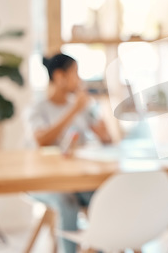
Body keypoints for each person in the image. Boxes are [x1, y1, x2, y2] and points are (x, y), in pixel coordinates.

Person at [27, 53, 112, 253]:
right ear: (59, 76)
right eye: (75, 72)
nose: (79, 78)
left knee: (101, 199)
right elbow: (41, 140)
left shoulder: (83, 107)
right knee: (67, 203)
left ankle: (98, 249)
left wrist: (102, 128)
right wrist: (74, 110)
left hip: (76, 179)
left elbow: (107, 140)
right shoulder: (38, 108)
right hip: (44, 181)